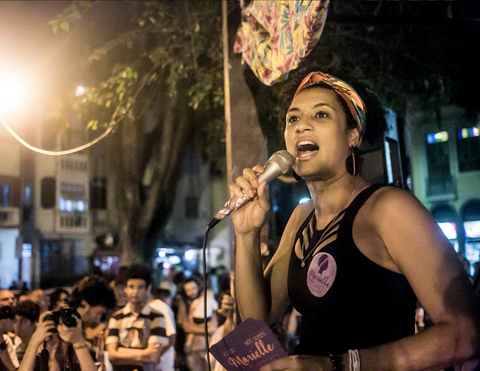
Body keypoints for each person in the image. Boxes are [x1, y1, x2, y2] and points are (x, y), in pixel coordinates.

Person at [230, 64, 480, 370]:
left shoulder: (388, 209)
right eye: (293, 118)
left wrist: (337, 365)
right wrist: (245, 234)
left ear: (353, 135)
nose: (301, 126)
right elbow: (259, 321)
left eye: (320, 115)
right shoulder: (301, 217)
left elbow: (465, 335)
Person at [106, 264, 169, 371]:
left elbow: (153, 356)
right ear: (125, 288)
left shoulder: (157, 317)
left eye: (140, 287)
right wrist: (143, 354)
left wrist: (121, 351)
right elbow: (111, 356)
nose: (135, 292)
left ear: (148, 289)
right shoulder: (116, 317)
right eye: (131, 287)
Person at [18, 311, 97, 371]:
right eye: (50, 338)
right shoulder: (33, 365)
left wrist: (78, 341)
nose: (56, 343)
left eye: (61, 338)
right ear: (41, 344)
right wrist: (34, 342)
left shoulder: (78, 365)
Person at [176, 277, 218, 371]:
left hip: (208, 346)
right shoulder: (184, 303)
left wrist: (194, 328)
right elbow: (186, 327)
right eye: (188, 290)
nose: (191, 292)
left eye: (193, 289)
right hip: (192, 347)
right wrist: (204, 327)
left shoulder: (208, 302)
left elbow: (213, 329)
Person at [149, 287, 176, 371]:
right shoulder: (161, 307)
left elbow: (171, 337)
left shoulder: (160, 307)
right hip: (156, 360)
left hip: (161, 360)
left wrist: (156, 355)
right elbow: (172, 337)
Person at [0, 305, 19, 371]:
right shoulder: (5, 339)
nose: (16, 324)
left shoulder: (5, 339)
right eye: (14, 321)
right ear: (4, 322)